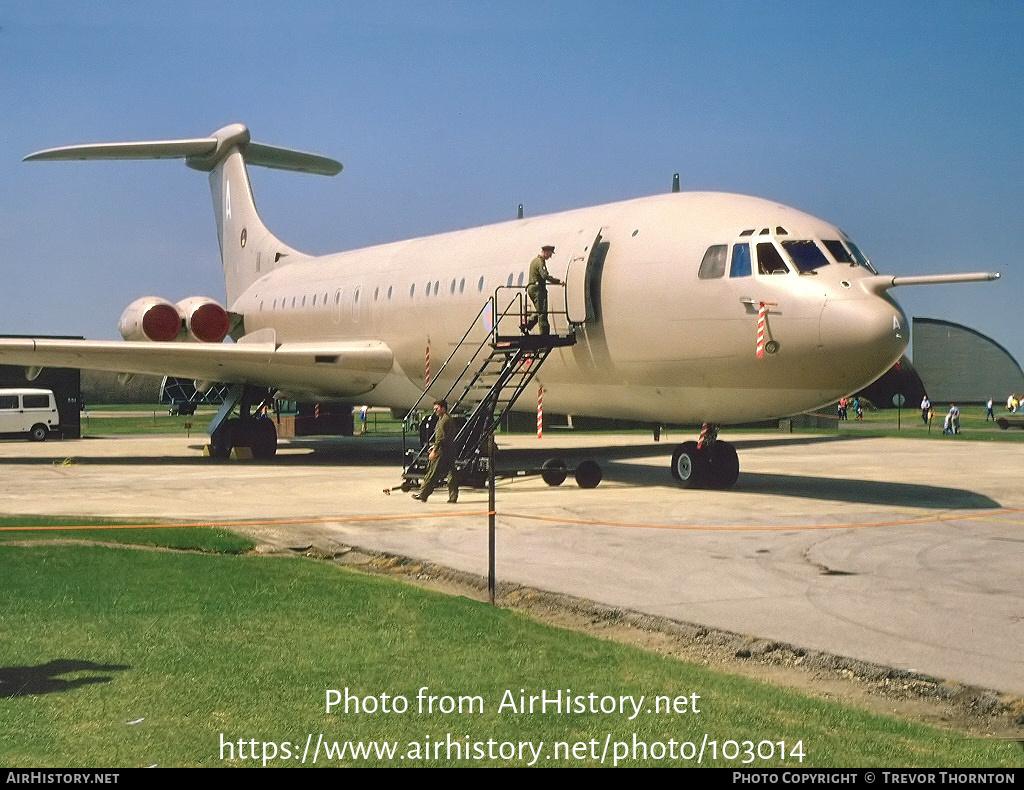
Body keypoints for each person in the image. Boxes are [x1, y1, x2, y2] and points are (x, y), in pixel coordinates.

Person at [412, 399, 459, 503]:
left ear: (443, 408)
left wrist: (434, 450)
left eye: (437, 409)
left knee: (433, 472)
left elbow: (441, 438)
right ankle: (453, 496)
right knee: (451, 473)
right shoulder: (447, 418)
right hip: (449, 449)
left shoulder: (444, 420)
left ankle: (423, 494)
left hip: (442, 451)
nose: (435, 411)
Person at [522, 245, 562, 335]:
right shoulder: (540, 262)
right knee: (542, 312)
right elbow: (544, 275)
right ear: (546, 252)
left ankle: (527, 325)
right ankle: (544, 334)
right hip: (538, 290)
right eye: (550, 254)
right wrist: (557, 281)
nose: (550, 256)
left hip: (532, 288)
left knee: (539, 310)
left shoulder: (534, 261)